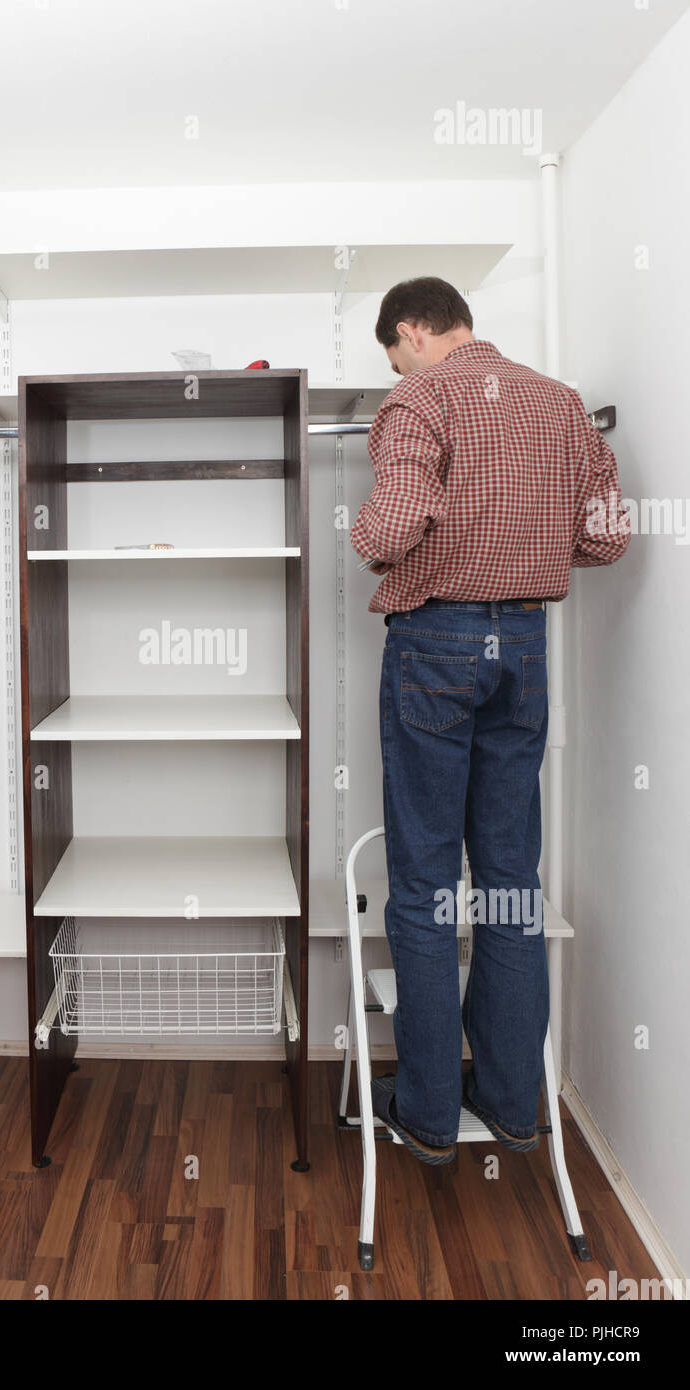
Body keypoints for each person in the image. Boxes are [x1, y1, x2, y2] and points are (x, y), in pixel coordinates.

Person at [350, 276, 630, 1164]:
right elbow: (608, 535)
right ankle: (513, 1107)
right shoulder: (559, 404)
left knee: (426, 881)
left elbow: (386, 532)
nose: (396, 367)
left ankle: (428, 1114)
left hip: (436, 643)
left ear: (410, 332)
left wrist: (369, 543)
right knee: (509, 877)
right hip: (524, 646)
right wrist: (531, 546)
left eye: (393, 354)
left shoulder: (418, 399)